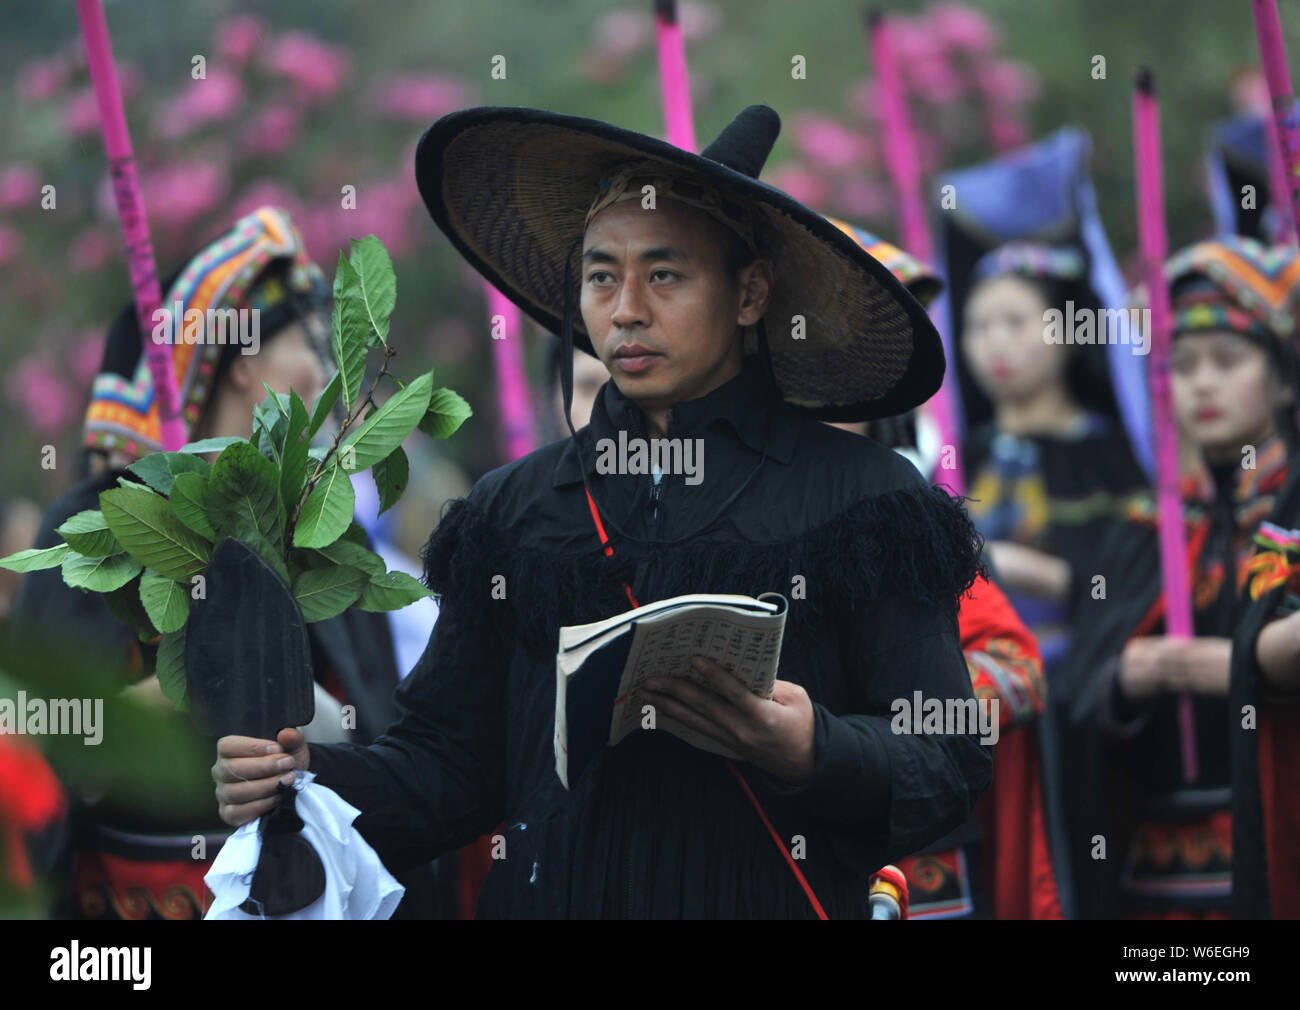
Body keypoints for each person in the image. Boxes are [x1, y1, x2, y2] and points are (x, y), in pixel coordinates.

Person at [212, 104, 992, 919]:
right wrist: (304, 777)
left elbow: (949, 763)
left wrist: (812, 747)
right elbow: (446, 768)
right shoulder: (511, 512)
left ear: (751, 291)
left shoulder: (867, 502)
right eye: (599, 276)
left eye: (664, 275)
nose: (625, 310)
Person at [8, 207, 437, 919]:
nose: (329, 376)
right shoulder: (102, 524)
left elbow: (386, 755)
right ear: (244, 362)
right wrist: (198, 680)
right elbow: (42, 744)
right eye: (313, 346)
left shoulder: (327, 532)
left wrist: (320, 738)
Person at [1055, 235, 1300, 919]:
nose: (1202, 384)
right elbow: (1077, 690)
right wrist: (1126, 678)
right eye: (1182, 366)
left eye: (1228, 360)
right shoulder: (1147, 524)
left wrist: (1230, 667)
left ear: (1282, 377)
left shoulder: (1293, 514)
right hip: (1159, 874)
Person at [823, 220, 1061, 919]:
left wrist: (914, 718)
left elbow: (1019, 668)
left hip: (923, 869)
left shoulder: (911, 517)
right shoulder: (720, 514)